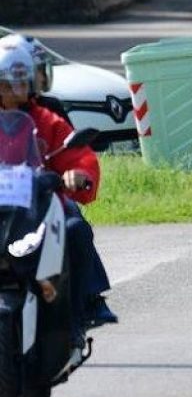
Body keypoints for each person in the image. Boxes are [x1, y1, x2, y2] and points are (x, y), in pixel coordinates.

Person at [0, 45, 113, 355]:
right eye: (7, 84)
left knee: (75, 228)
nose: (15, 91)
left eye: (21, 83)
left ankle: (78, 314)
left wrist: (76, 175)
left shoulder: (46, 119)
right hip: (2, 208)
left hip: (39, 205)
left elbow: (79, 156)